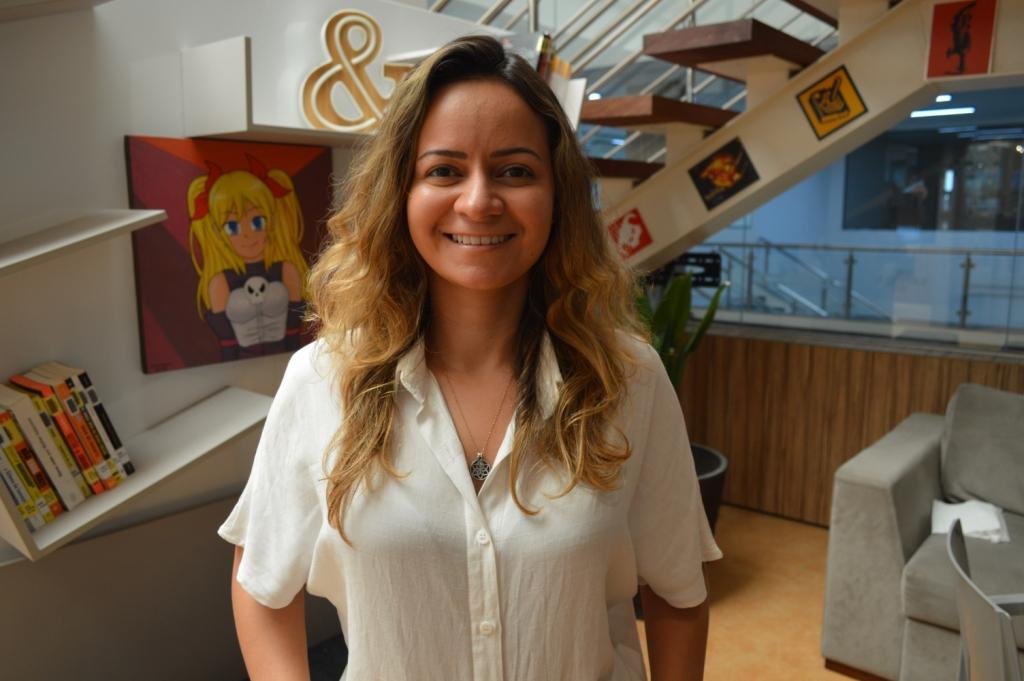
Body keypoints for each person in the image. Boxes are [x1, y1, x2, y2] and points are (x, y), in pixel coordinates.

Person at [219, 34, 721, 681]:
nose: (479, 201)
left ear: (557, 195)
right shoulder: (322, 381)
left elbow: (679, 590)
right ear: (401, 192)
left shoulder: (628, 378)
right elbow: (261, 582)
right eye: (444, 170)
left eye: (515, 171)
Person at [187, 154, 308, 360]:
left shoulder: (287, 271)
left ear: (271, 221)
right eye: (232, 226)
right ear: (218, 233)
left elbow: (294, 336)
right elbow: (228, 347)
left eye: (257, 222)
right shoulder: (220, 283)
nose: (247, 234)